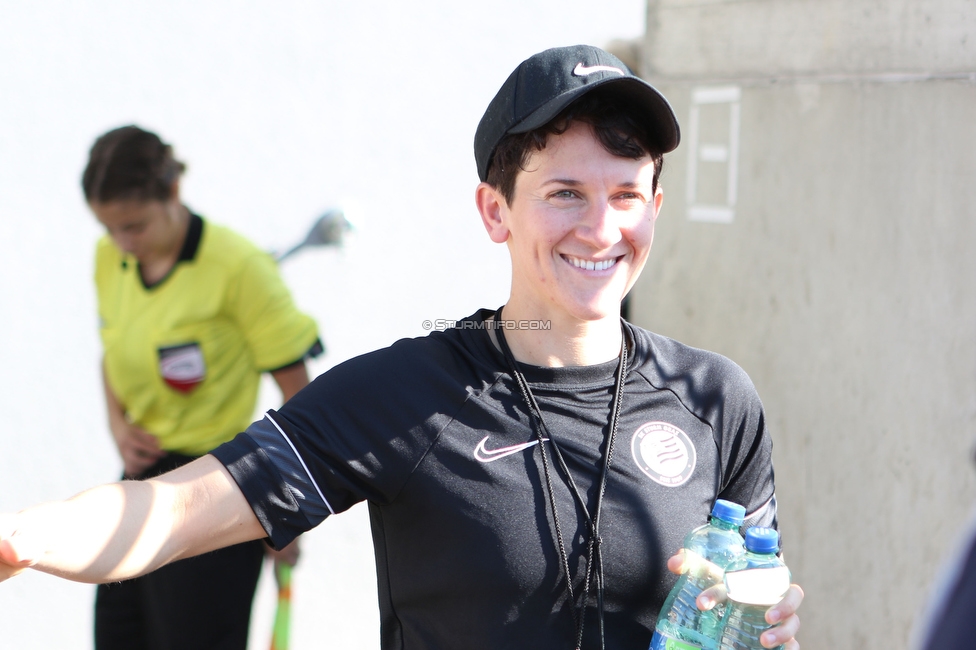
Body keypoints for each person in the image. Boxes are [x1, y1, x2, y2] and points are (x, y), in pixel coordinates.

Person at [0, 46, 803, 649]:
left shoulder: (716, 400)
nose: (602, 229)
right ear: (496, 211)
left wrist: (767, 627)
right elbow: (176, 510)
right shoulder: (409, 395)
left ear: (655, 206)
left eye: (626, 195)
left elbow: (743, 604)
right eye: (565, 194)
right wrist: (28, 538)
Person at [80, 125, 323, 650]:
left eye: (135, 226)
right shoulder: (110, 258)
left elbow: (302, 399)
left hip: (218, 494)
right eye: (110, 227)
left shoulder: (239, 269)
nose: (123, 242)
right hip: (138, 488)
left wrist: (287, 512)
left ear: (172, 192)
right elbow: (114, 349)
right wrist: (119, 426)